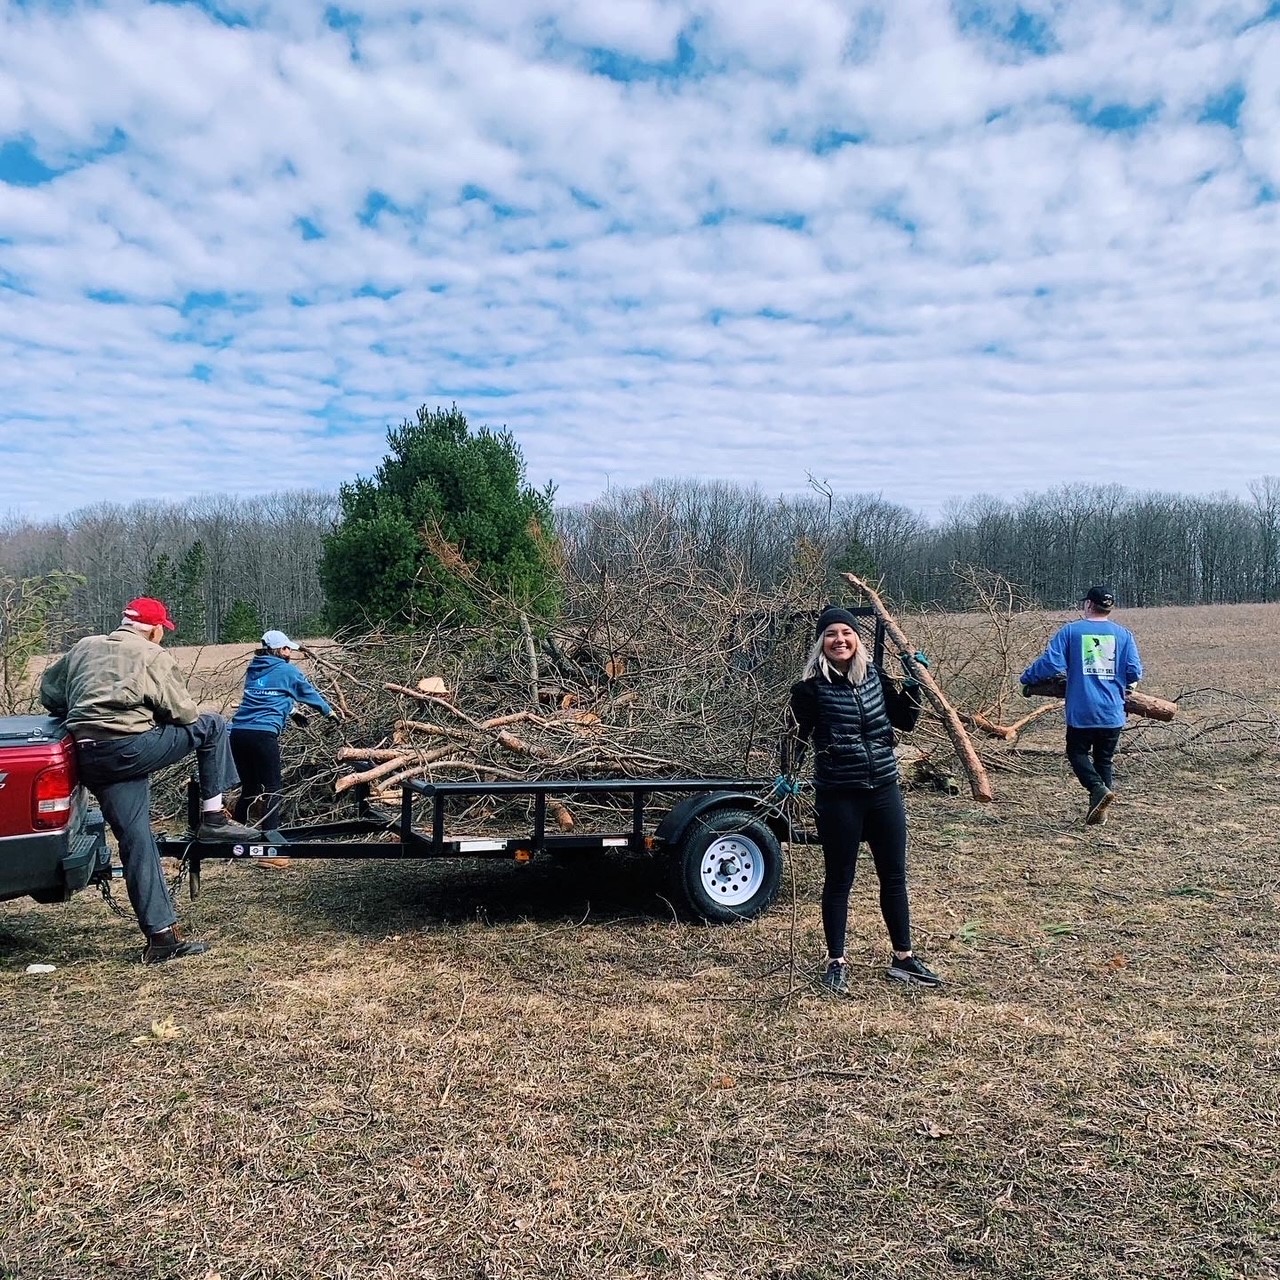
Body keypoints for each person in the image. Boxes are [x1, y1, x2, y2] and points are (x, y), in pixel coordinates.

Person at [39, 596, 260, 963]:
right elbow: (184, 712)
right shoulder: (151, 654)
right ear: (156, 629)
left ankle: (161, 937)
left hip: (90, 756)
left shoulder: (83, 648)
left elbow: (50, 695)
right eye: (163, 630)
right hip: (129, 749)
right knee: (213, 725)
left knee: (137, 841)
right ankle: (214, 817)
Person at [784, 605, 941, 993]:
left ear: (857, 640)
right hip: (839, 794)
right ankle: (836, 961)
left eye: (847, 633)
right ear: (822, 644)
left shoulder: (875, 677)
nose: (840, 640)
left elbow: (905, 721)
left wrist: (914, 682)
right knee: (839, 879)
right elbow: (794, 736)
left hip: (884, 790)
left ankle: (903, 959)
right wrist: (786, 774)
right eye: (832, 634)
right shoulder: (808, 689)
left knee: (894, 876)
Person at [1020, 585, 1143, 825]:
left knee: (1076, 752)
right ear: (1109, 608)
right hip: (1112, 712)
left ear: (1088, 604)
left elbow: (1050, 663)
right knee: (1103, 760)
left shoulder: (1071, 631)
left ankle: (1097, 789)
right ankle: (1100, 809)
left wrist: (1027, 679)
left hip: (1082, 711)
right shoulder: (1124, 634)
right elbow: (1134, 671)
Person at [229, 629, 339, 835]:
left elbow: (265, 695)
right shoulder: (289, 671)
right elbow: (307, 692)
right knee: (273, 787)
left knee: (250, 788)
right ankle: (271, 839)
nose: (290, 653)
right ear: (279, 649)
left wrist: (292, 711)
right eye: (287, 648)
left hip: (238, 733)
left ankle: (235, 836)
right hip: (263, 734)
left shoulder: (254, 668)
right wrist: (328, 712)